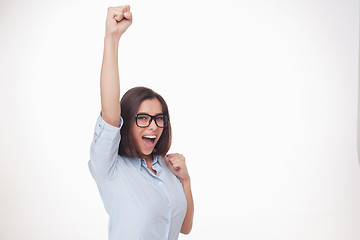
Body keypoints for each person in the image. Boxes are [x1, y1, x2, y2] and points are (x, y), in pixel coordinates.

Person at [88, 5, 194, 240]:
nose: (153, 126)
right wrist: (112, 39)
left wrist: (185, 181)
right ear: (127, 123)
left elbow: (184, 228)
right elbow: (110, 113)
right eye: (143, 118)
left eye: (159, 118)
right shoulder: (111, 167)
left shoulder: (167, 167)